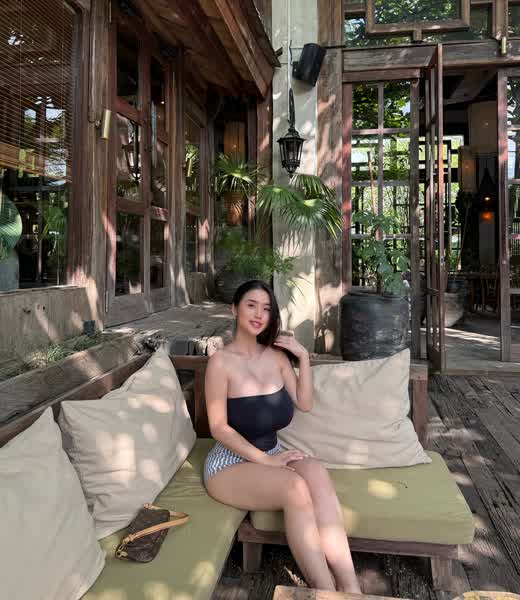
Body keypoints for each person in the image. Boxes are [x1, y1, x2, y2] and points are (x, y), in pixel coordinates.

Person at [203, 280, 361, 593]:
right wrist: (266, 461)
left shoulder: (277, 358)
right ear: (234, 309)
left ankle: (352, 588)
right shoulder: (220, 363)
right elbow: (218, 428)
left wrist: (302, 357)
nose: (259, 314)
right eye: (251, 305)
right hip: (229, 463)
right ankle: (326, 591)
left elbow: (305, 403)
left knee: (316, 473)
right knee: (295, 488)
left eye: (266, 308)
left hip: (273, 453)